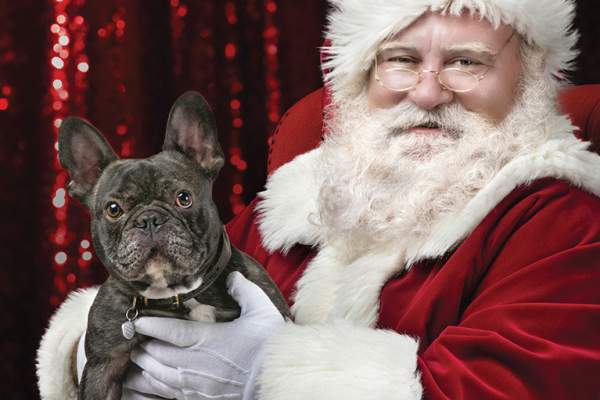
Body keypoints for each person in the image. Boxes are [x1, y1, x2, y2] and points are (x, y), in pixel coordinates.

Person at [37, 0, 600, 399]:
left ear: (527, 81)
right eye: (401, 60)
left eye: (466, 62)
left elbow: (517, 387)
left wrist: (272, 374)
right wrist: (93, 349)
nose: (427, 92)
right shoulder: (294, 201)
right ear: (363, 79)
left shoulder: (561, 222)